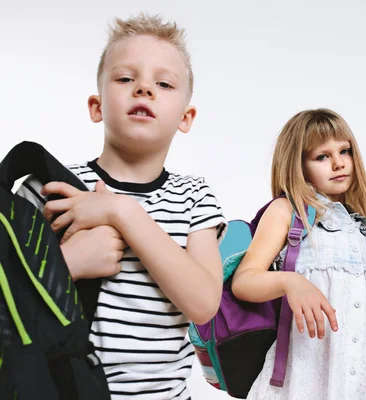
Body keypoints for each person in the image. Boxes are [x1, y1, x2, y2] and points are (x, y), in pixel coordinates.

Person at [17, 13, 226, 399]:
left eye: (163, 83)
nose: (144, 88)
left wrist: (123, 212)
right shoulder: (50, 186)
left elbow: (203, 304)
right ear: (96, 106)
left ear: (186, 117)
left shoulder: (194, 197)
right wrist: (68, 266)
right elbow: (7, 299)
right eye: (126, 78)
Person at [231, 108, 366, 399]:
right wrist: (291, 282)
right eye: (322, 157)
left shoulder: (363, 226)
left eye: (345, 151)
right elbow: (243, 281)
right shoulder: (288, 211)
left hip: (364, 381)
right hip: (304, 379)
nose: (339, 164)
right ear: (298, 165)